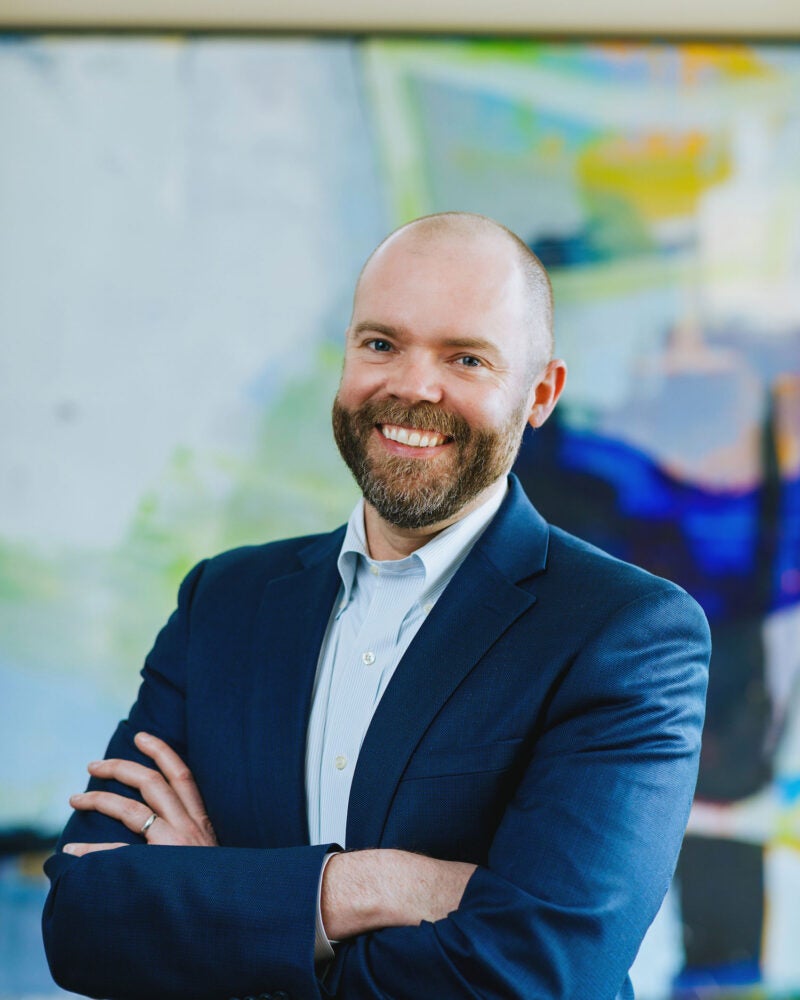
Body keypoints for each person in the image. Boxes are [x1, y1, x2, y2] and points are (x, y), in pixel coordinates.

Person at [42, 212, 710, 1000]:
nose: (412, 387)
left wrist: (221, 901)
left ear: (542, 394)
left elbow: (538, 973)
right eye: (381, 343)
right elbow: (82, 923)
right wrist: (371, 887)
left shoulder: (626, 635)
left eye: (466, 357)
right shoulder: (223, 603)